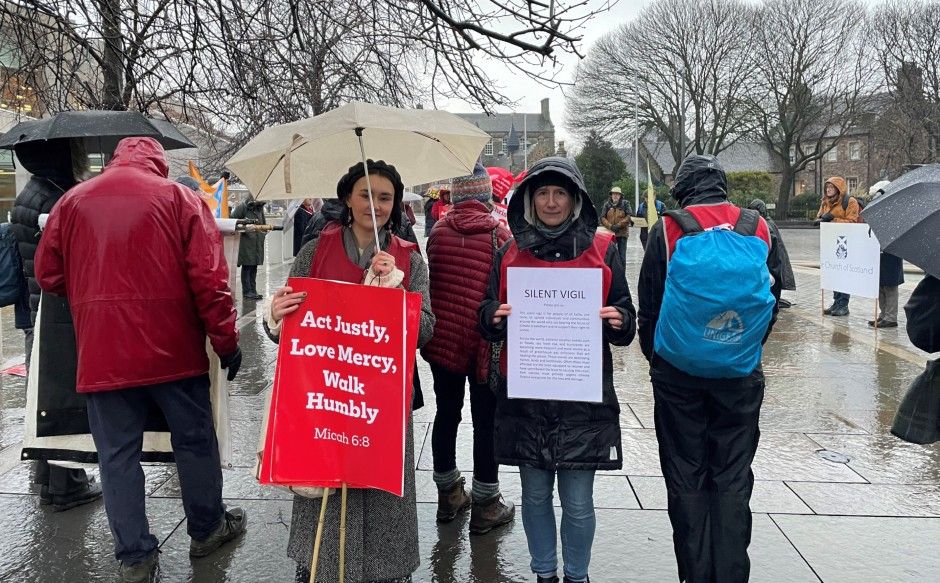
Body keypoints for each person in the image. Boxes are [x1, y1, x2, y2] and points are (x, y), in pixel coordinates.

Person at [34, 137, 245, 583]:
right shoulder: (179, 199)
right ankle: (207, 529)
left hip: (102, 355)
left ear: (112, 161)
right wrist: (227, 344)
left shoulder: (73, 201)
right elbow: (211, 282)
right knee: (193, 442)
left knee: (117, 457)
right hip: (174, 354)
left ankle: (135, 557)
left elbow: (49, 275)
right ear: (158, 164)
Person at [266, 160, 435, 583]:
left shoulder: (408, 259)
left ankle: (384, 571)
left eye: (384, 197)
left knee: (379, 500)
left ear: (395, 204)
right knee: (325, 509)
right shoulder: (313, 252)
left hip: (381, 406)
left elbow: (426, 329)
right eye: (366, 195)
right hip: (324, 401)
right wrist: (275, 314)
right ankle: (321, 568)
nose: (374, 205)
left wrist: (395, 294)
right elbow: (290, 332)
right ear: (346, 197)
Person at [479, 157, 637, 583]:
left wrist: (620, 321)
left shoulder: (603, 249)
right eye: (543, 193)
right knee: (533, 497)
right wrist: (494, 316)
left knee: (579, 502)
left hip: (581, 400)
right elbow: (487, 313)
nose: (551, 202)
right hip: (527, 395)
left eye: (560, 193)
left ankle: (577, 576)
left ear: (576, 199)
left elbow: (624, 314)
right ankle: (544, 573)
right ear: (530, 199)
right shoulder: (508, 252)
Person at [638, 154, 783, 583]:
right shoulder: (759, 226)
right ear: (723, 186)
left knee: (686, 476)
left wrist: (662, 360)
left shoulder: (667, 228)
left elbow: (650, 307)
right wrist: (740, 348)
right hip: (739, 376)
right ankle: (733, 574)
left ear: (681, 189)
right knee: (733, 477)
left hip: (677, 377)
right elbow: (773, 301)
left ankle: (695, 575)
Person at [9, 138, 102, 512]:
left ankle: (46, 475)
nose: (80, 155)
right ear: (59, 156)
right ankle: (67, 484)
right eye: (75, 151)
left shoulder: (31, 193)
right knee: (63, 394)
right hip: (58, 312)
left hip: (37, 309)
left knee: (43, 392)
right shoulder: (57, 198)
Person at [422, 162, 515, 534]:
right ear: (485, 194)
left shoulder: (438, 232)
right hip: (482, 344)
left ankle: (448, 496)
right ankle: (486, 503)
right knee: (485, 424)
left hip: (442, 343)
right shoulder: (500, 234)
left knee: (446, 415)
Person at [815, 177, 860, 316]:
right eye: (827, 187)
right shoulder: (825, 202)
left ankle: (843, 304)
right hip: (831, 242)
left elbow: (853, 222)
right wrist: (820, 220)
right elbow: (820, 216)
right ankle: (836, 302)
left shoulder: (850, 202)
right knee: (834, 272)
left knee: (843, 273)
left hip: (846, 242)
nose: (828, 189)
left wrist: (832, 219)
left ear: (838, 188)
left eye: (831, 187)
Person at [748, 199, 797, 308]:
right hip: (774, 258)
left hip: (772, 258)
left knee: (771, 279)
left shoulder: (765, 223)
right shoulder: (767, 222)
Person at [231, 197, 267, 300]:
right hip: (246, 243)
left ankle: (253, 290)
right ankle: (247, 292)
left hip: (256, 242)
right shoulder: (242, 207)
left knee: (253, 267)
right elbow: (233, 222)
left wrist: (263, 233)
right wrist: (245, 228)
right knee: (247, 267)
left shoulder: (260, 209)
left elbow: (263, 224)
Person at [600, 186, 632, 265]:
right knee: (609, 256)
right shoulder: (607, 205)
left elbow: (629, 217)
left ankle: (622, 276)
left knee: (622, 257)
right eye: (614, 194)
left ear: (620, 195)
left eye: (617, 194)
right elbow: (602, 217)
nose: (615, 196)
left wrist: (618, 226)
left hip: (622, 234)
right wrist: (610, 226)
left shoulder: (625, 204)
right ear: (611, 195)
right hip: (609, 234)